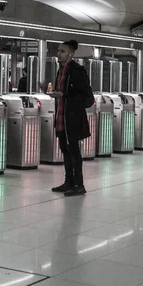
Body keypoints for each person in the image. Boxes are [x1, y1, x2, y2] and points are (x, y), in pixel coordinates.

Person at [49, 40, 94, 196]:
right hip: (61, 118)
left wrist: (64, 95)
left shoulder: (77, 71)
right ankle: (68, 182)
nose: (58, 54)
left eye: (62, 51)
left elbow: (88, 98)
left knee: (74, 152)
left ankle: (79, 185)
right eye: (58, 51)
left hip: (72, 120)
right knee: (65, 151)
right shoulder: (61, 70)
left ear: (71, 54)